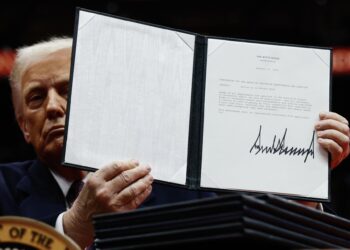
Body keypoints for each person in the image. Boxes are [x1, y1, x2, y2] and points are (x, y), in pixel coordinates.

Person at [0, 37, 349, 248]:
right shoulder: (3, 188)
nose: (53, 107)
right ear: (23, 128)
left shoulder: (181, 185)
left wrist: (302, 192)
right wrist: (74, 227)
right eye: (35, 98)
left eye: (67, 90)